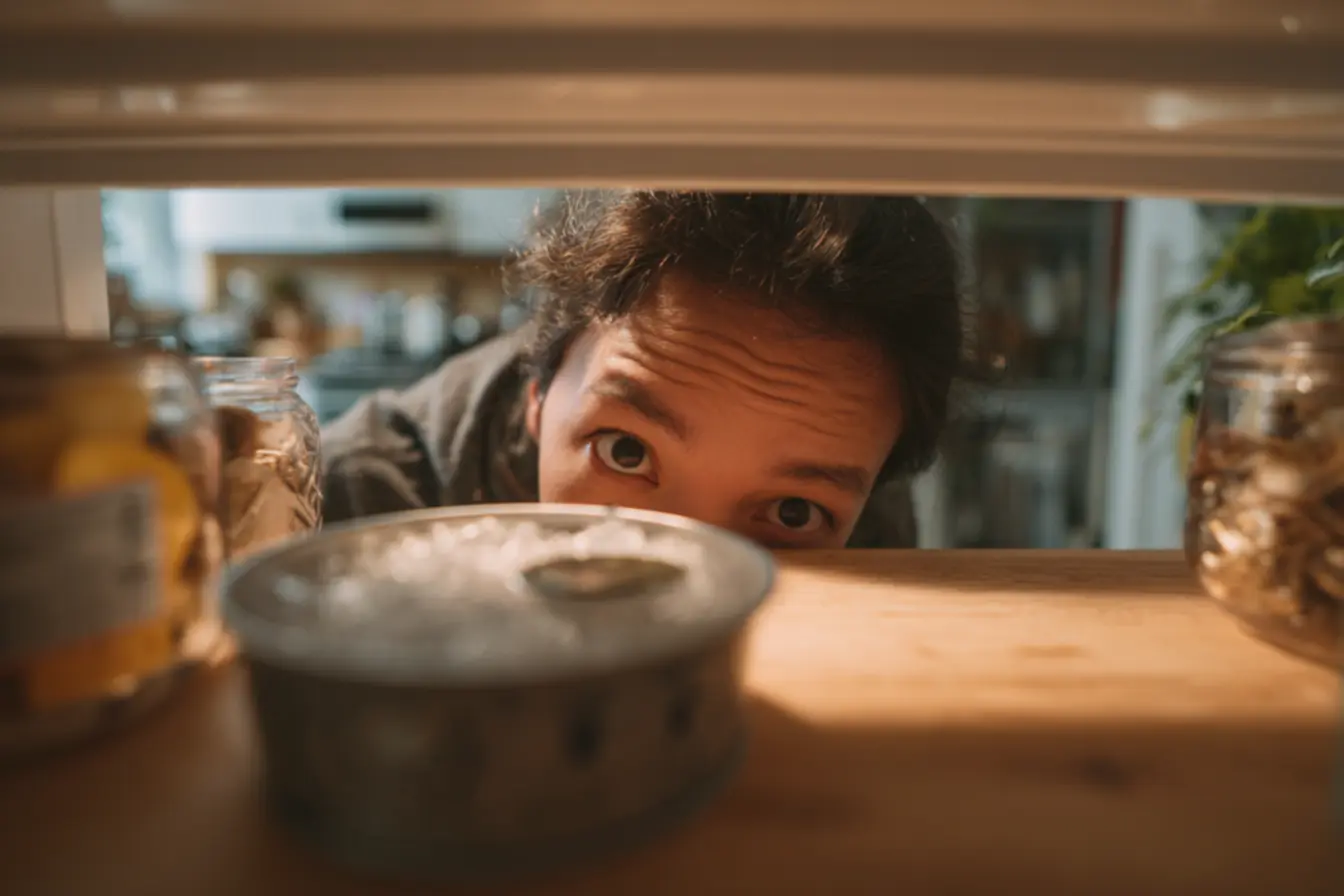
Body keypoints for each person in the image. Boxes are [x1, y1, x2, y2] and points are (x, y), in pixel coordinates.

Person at [321, 190, 964, 549]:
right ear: (539, 391)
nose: (685, 575)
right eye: (626, 451)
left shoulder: (862, 511)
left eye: (790, 513)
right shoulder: (352, 514)